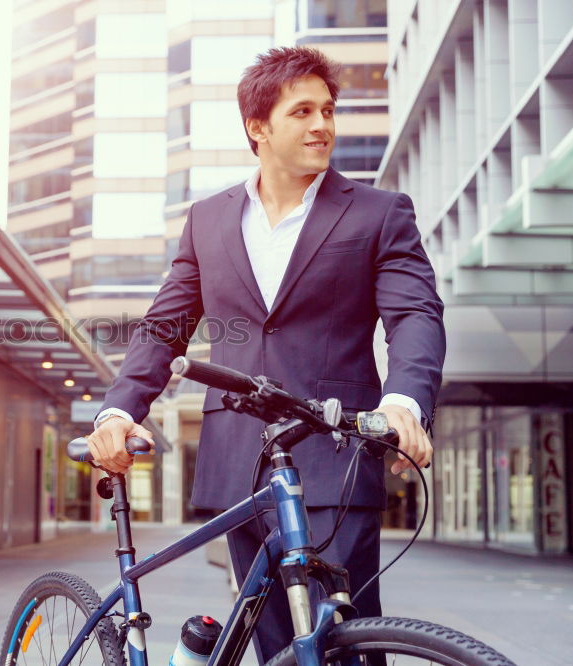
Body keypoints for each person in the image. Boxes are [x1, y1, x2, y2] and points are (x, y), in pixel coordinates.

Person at [84, 46, 445, 663]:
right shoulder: (208, 220)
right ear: (258, 127)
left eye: (328, 110)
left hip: (337, 456)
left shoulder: (380, 213)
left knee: (343, 645)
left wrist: (405, 399)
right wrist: (118, 411)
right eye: (302, 111)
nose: (322, 125)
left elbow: (415, 314)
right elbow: (163, 328)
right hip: (238, 466)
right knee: (275, 644)